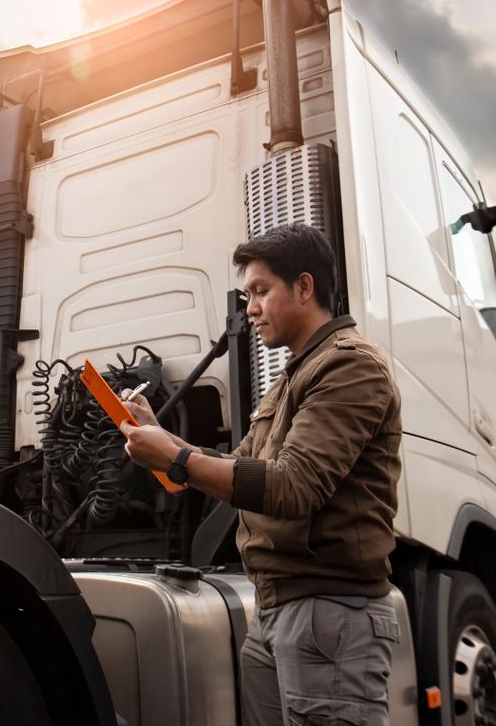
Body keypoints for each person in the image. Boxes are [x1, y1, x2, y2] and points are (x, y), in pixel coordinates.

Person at [120, 223, 402, 726]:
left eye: (259, 291)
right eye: (247, 293)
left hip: (328, 612)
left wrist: (174, 460)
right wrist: (162, 436)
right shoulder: (295, 374)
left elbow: (294, 486)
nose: (249, 308)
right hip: (278, 610)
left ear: (304, 287)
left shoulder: (349, 368)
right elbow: (241, 467)